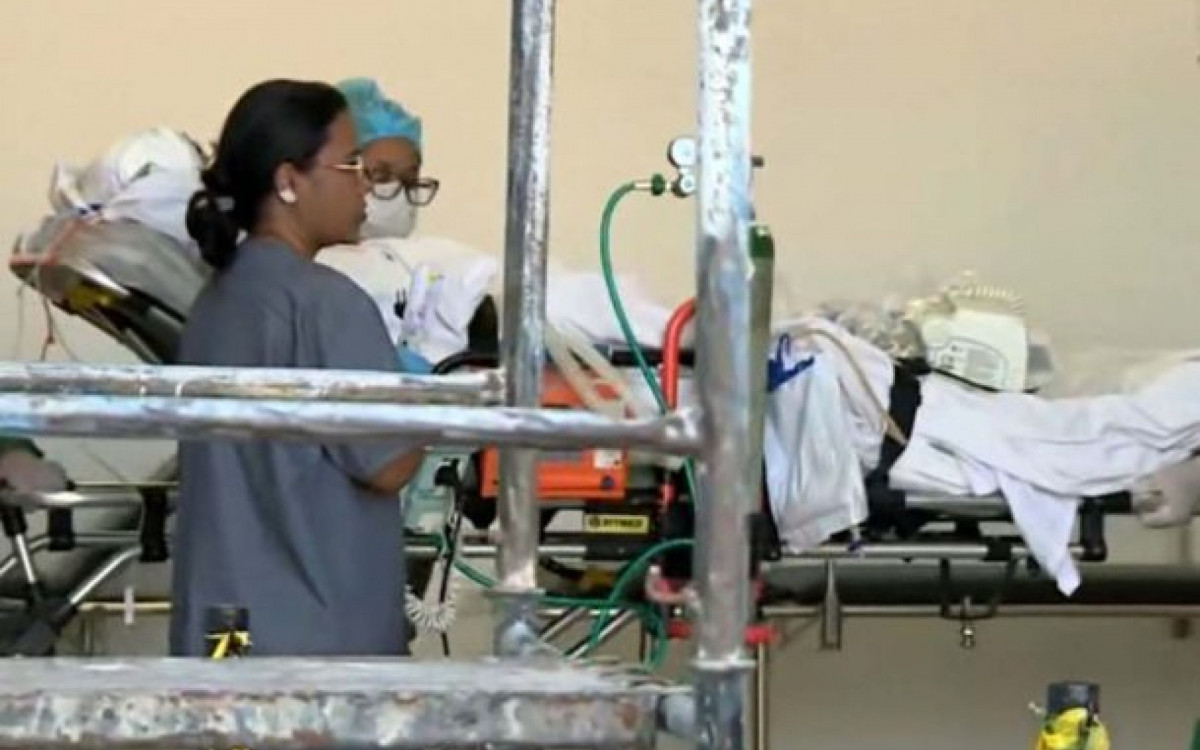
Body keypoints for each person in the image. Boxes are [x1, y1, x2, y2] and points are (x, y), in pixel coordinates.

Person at [170, 79, 425, 657]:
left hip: (225, 628)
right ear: (289, 180)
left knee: (229, 713)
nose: (365, 183)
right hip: (314, 641)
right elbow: (387, 465)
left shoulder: (217, 299)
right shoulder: (326, 302)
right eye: (351, 164)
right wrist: (430, 403)